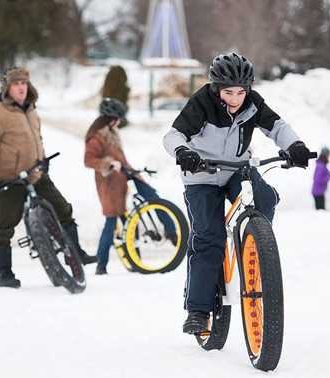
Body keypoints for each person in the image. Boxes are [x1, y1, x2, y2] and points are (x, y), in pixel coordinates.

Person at [162, 52, 312, 334]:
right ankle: (198, 310)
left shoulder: (253, 104)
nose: (235, 98)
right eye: (228, 92)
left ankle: (254, 244)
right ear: (216, 89)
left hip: (236, 170)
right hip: (201, 176)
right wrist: (184, 152)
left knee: (265, 196)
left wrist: (296, 146)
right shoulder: (201, 103)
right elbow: (173, 136)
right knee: (209, 238)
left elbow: (277, 126)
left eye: (241, 92)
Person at [0, 67, 97, 289]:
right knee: (5, 226)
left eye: (24, 83)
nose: (21, 87)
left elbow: (38, 140)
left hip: (36, 174)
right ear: (7, 89)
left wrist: (43, 161)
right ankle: (4, 274)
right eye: (16, 84)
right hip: (10, 179)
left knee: (64, 209)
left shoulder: (32, 111)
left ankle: (76, 253)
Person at [84, 98, 176, 275]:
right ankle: (101, 266)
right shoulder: (97, 137)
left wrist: (137, 172)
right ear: (111, 118)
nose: (119, 122)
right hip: (108, 184)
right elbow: (89, 160)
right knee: (111, 222)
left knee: (130, 221)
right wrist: (109, 163)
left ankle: (137, 261)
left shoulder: (112, 134)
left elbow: (123, 161)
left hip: (121, 181)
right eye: (118, 118)